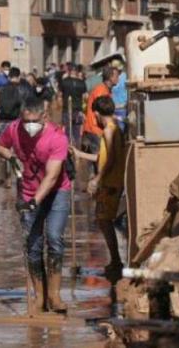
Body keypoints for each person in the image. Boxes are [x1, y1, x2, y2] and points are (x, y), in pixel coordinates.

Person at [0, 96, 72, 313]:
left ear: (44, 117)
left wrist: (33, 202)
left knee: (55, 238)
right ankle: (39, 295)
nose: (28, 126)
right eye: (25, 120)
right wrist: (10, 156)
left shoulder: (57, 138)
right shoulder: (13, 129)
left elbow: (52, 176)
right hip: (27, 189)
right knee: (33, 245)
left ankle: (54, 295)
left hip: (56, 192)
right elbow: (0, 145)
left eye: (34, 121)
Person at [71, 96, 126, 280]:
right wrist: (81, 154)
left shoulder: (110, 131)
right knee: (104, 220)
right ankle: (115, 260)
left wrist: (97, 178)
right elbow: (101, 157)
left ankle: (116, 261)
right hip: (109, 181)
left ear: (96, 113)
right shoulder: (112, 129)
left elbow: (110, 159)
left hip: (110, 183)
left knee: (104, 220)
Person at [0, 67, 35, 187]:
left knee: (4, 150)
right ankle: (22, 176)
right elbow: (28, 108)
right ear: (19, 76)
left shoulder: (1, 89)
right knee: (20, 150)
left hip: (3, 122)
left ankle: (7, 178)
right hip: (18, 123)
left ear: (9, 76)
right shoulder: (25, 89)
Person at [82, 65, 120, 158]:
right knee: (101, 161)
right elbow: (102, 113)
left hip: (93, 130)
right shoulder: (101, 91)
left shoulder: (105, 90)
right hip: (95, 130)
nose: (118, 78)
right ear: (110, 77)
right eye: (116, 76)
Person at [60, 63, 88, 146]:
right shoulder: (82, 83)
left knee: (67, 132)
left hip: (66, 109)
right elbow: (85, 97)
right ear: (76, 71)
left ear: (69, 71)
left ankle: (68, 151)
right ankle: (77, 151)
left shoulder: (64, 82)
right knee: (77, 133)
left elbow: (60, 96)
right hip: (78, 110)